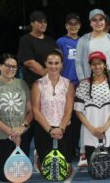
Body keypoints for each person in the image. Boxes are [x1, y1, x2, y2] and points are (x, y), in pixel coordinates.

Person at [0, 53, 32, 182]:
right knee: (4, 177)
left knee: (19, 176)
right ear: (0, 66)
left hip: (21, 135)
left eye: (14, 67)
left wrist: (22, 127)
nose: (11, 69)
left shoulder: (22, 84)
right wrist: (9, 132)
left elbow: (31, 111)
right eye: (7, 66)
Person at [17, 10, 57, 164]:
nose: (43, 24)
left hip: (49, 88)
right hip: (32, 86)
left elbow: (57, 59)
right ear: (32, 23)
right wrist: (48, 71)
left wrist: (52, 74)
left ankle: (42, 157)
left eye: (45, 22)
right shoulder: (26, 40)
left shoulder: (50, 41)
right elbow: (29, 62)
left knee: (44, 124)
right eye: (40, 21)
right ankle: (21, 158)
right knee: (29, 122)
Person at [31, 50, 74, 177]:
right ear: (45, 64)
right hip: (44, 129)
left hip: (64, 129)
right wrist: (50, 130)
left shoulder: (68, 84)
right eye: (50, 63)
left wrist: (60, 128)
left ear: (61, 65)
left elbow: (68, 110)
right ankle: (39, 156)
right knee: (48, 174)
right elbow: (36, 111)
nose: (53, 66)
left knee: (64, 174)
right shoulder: (38, 84)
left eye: (56, 63)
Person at [74, 51, 110, 163]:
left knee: (107, 167)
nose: (97, 66)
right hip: (89, 133)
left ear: (104, 65)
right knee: (93, 167)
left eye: (99, 63)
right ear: (90, 66)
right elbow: (78, 111)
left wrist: (105, 127)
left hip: (107, 131)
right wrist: (92, 129)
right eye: (93, 64)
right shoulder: (83, 85)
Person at [56, 13, 82, 159]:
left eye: (76, 23)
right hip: (66, 86)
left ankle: (77, 147)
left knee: (79, 118)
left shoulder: (84, 41)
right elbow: (58, 62)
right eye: (70, 24)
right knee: (67, 117)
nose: (73, 26)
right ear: (66, 26)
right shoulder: (61, 41)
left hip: (81, 86)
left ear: (79, 25)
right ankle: (67, 148)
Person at [75, 8, 110, 82]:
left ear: (104, 21)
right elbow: (78, 63)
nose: (98, 22)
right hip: (90, 82)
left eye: (101, 19)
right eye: (94, 20)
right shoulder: (83, 40)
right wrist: (83, 81)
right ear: (90, 23)